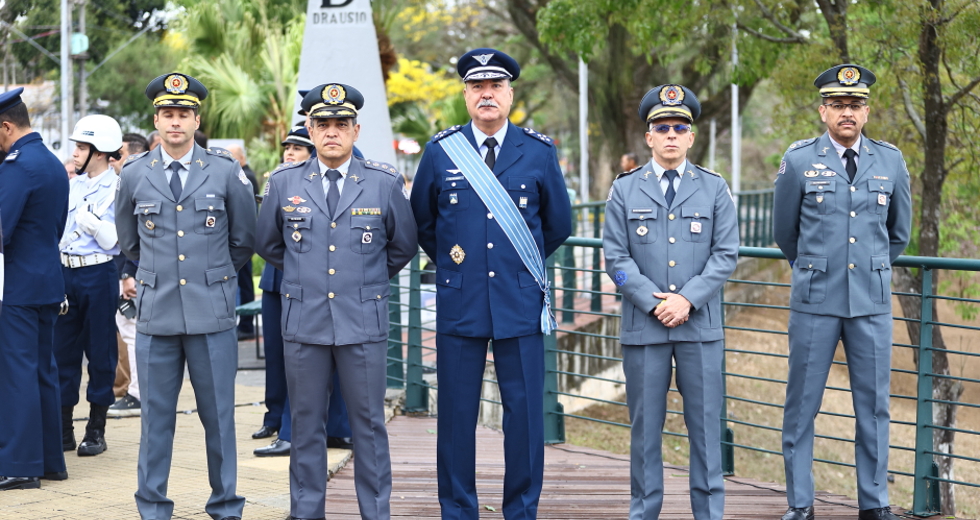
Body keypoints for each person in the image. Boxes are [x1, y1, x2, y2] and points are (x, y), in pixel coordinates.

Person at [410, 48, 572, 520]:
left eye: (495, 86)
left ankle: (521, 509)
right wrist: (457, 267)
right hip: (460, 301)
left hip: (518, 302)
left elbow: (556, 224)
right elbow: (424, 221)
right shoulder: (441, 151)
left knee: (523, 418)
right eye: (477, 87)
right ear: (465, 94)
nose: (487, 94)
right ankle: (458, 509)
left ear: (510, 94)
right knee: (457, 416)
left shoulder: (538, 152)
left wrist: (519, 269)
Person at [255, 82, 417, 520]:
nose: (331, 132)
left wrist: (361, 282)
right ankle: (307, 512)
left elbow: (402, 246)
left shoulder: (383, 183)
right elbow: (268, 243)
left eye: (340, 124)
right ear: (309, 128)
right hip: (304, 320)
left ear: (356, 130)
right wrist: (307, 277)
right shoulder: (284, 182)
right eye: (322, 124)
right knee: (306, 425)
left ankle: (375, 513)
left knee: (368, 426)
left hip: (362, 321)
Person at [773, 64, 912, 520]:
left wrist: (869, 269)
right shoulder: (798, 160)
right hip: (815, 300)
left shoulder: (890, 161)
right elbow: (785, 232)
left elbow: (899, 234)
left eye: (855, 105)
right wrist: (814, 268)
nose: (846, 113)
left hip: (870, 302)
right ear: (823, 111)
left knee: (873, 407)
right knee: (802, 407)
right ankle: (800, 504)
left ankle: (874, 505)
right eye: (838, 105)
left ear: (867, 112)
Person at [115, 72, 255, 520]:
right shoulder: (135, 173)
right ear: (156, 120)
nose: (175, 122)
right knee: (156, 420)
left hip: (211, 313)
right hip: (156, 315)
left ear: (197, 119)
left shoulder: (224, 170)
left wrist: (211, 276)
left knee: (219, 418)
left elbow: (243, 239)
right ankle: (153, 507)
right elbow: (129, 242)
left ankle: (226, 504)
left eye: (183, 114)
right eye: (167, 114)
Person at [603, 85, 739, 520]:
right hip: (645, 328)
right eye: (662, 128)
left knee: (704, 429)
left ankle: (709, 514)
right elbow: (616, 260)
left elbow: (726, 255)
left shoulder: (715, 189)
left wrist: (687, 300)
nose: (671, 136)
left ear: (692, 136)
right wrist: (652, 301)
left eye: (680, 127)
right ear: (649, 137)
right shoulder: (624, 190)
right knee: (645, 432)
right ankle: (644, 512)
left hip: (699, 327)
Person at [253, 123, 354, 458]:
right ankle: (278, 419)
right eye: (288, 147)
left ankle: (334, 427)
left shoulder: (346, 168)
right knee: (282, 359)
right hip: (281, 280)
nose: (290, 153)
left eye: (297, 148)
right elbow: (265, 238)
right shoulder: (283, 180)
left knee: (335, 358)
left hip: (328, 285)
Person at [0, 87, 70, 490]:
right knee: (43, 370)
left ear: (6, 126)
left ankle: (20, 464)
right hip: (46, 280)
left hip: (18, 287)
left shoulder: (16, 167)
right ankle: (48, 461)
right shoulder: (48, 162)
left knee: (16, 375)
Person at [55, 114, 125, 457]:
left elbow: (118, 242)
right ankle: (64, 428)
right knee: (62, 352)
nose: (75, 154)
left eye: (82, 147)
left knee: (100, 353)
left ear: (100, 152)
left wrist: (94, 225)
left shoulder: (118, 189)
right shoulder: (72, 186)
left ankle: (96, 428)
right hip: (67, 272)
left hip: (99, 274)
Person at [109, 132, 150, 417]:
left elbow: (134, 238)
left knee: (133, 332)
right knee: (129, 331)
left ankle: (137, 394)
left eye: (119, 155)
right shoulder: (129, 184)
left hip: (136, 272)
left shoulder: (139, 184)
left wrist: (127, 272)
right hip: (127, 271)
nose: (113, 161)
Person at [227, 144, 259, 340]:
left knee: (244, 283)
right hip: (238, 239)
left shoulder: (246, 177)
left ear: (241, 158)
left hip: (242, 240)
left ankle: (246, 325)